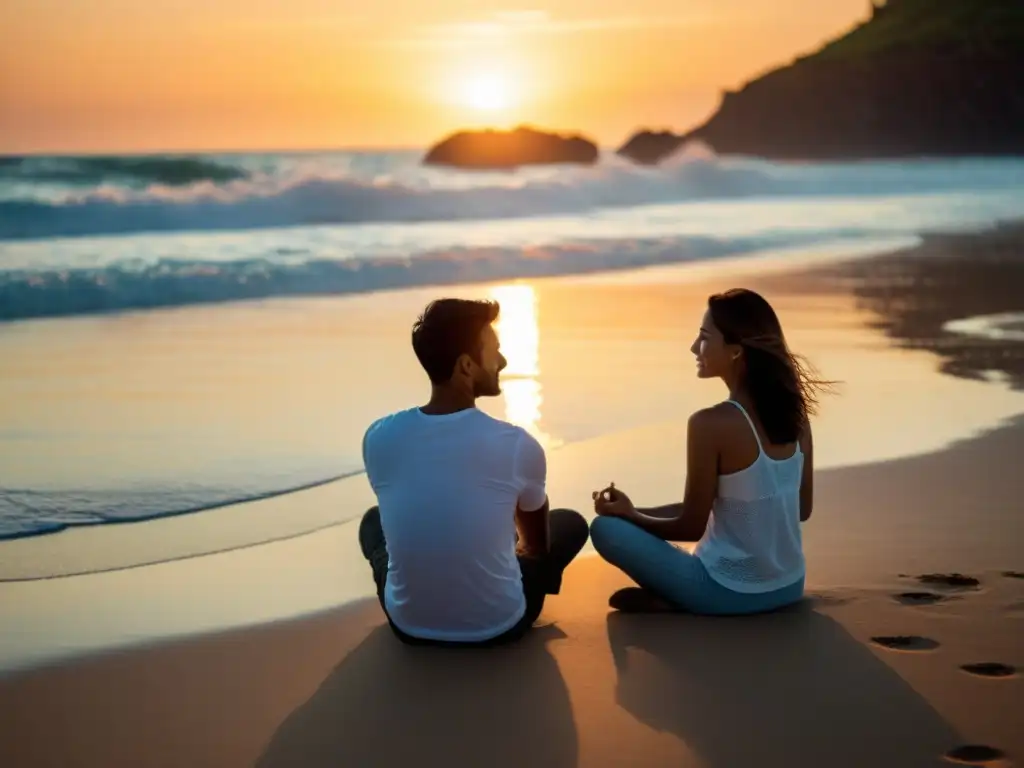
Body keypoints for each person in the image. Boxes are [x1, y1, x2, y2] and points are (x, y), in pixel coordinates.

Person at [360, 297, 589, 645]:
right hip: (499, 626)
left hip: (408, 627)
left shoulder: (379, 436)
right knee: (569, 522)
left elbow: (421, 510)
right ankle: (510, 589)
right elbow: (536, 548)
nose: (502, 361)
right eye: (493, 351)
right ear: (466, 366)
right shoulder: (516, 444)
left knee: (373, 522)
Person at [590, 288, 831, 614]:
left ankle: (680, 598)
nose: (694, 346)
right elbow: (798, 508)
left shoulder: (710, 423)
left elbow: (691, 526)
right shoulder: (795, 415)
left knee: (605, 530)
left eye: (704, 337)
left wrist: (630, 519)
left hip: (727, 593)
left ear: (735, 351)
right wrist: (636, 510)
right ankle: (675, 593)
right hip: (788, 586)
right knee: (626, 524)